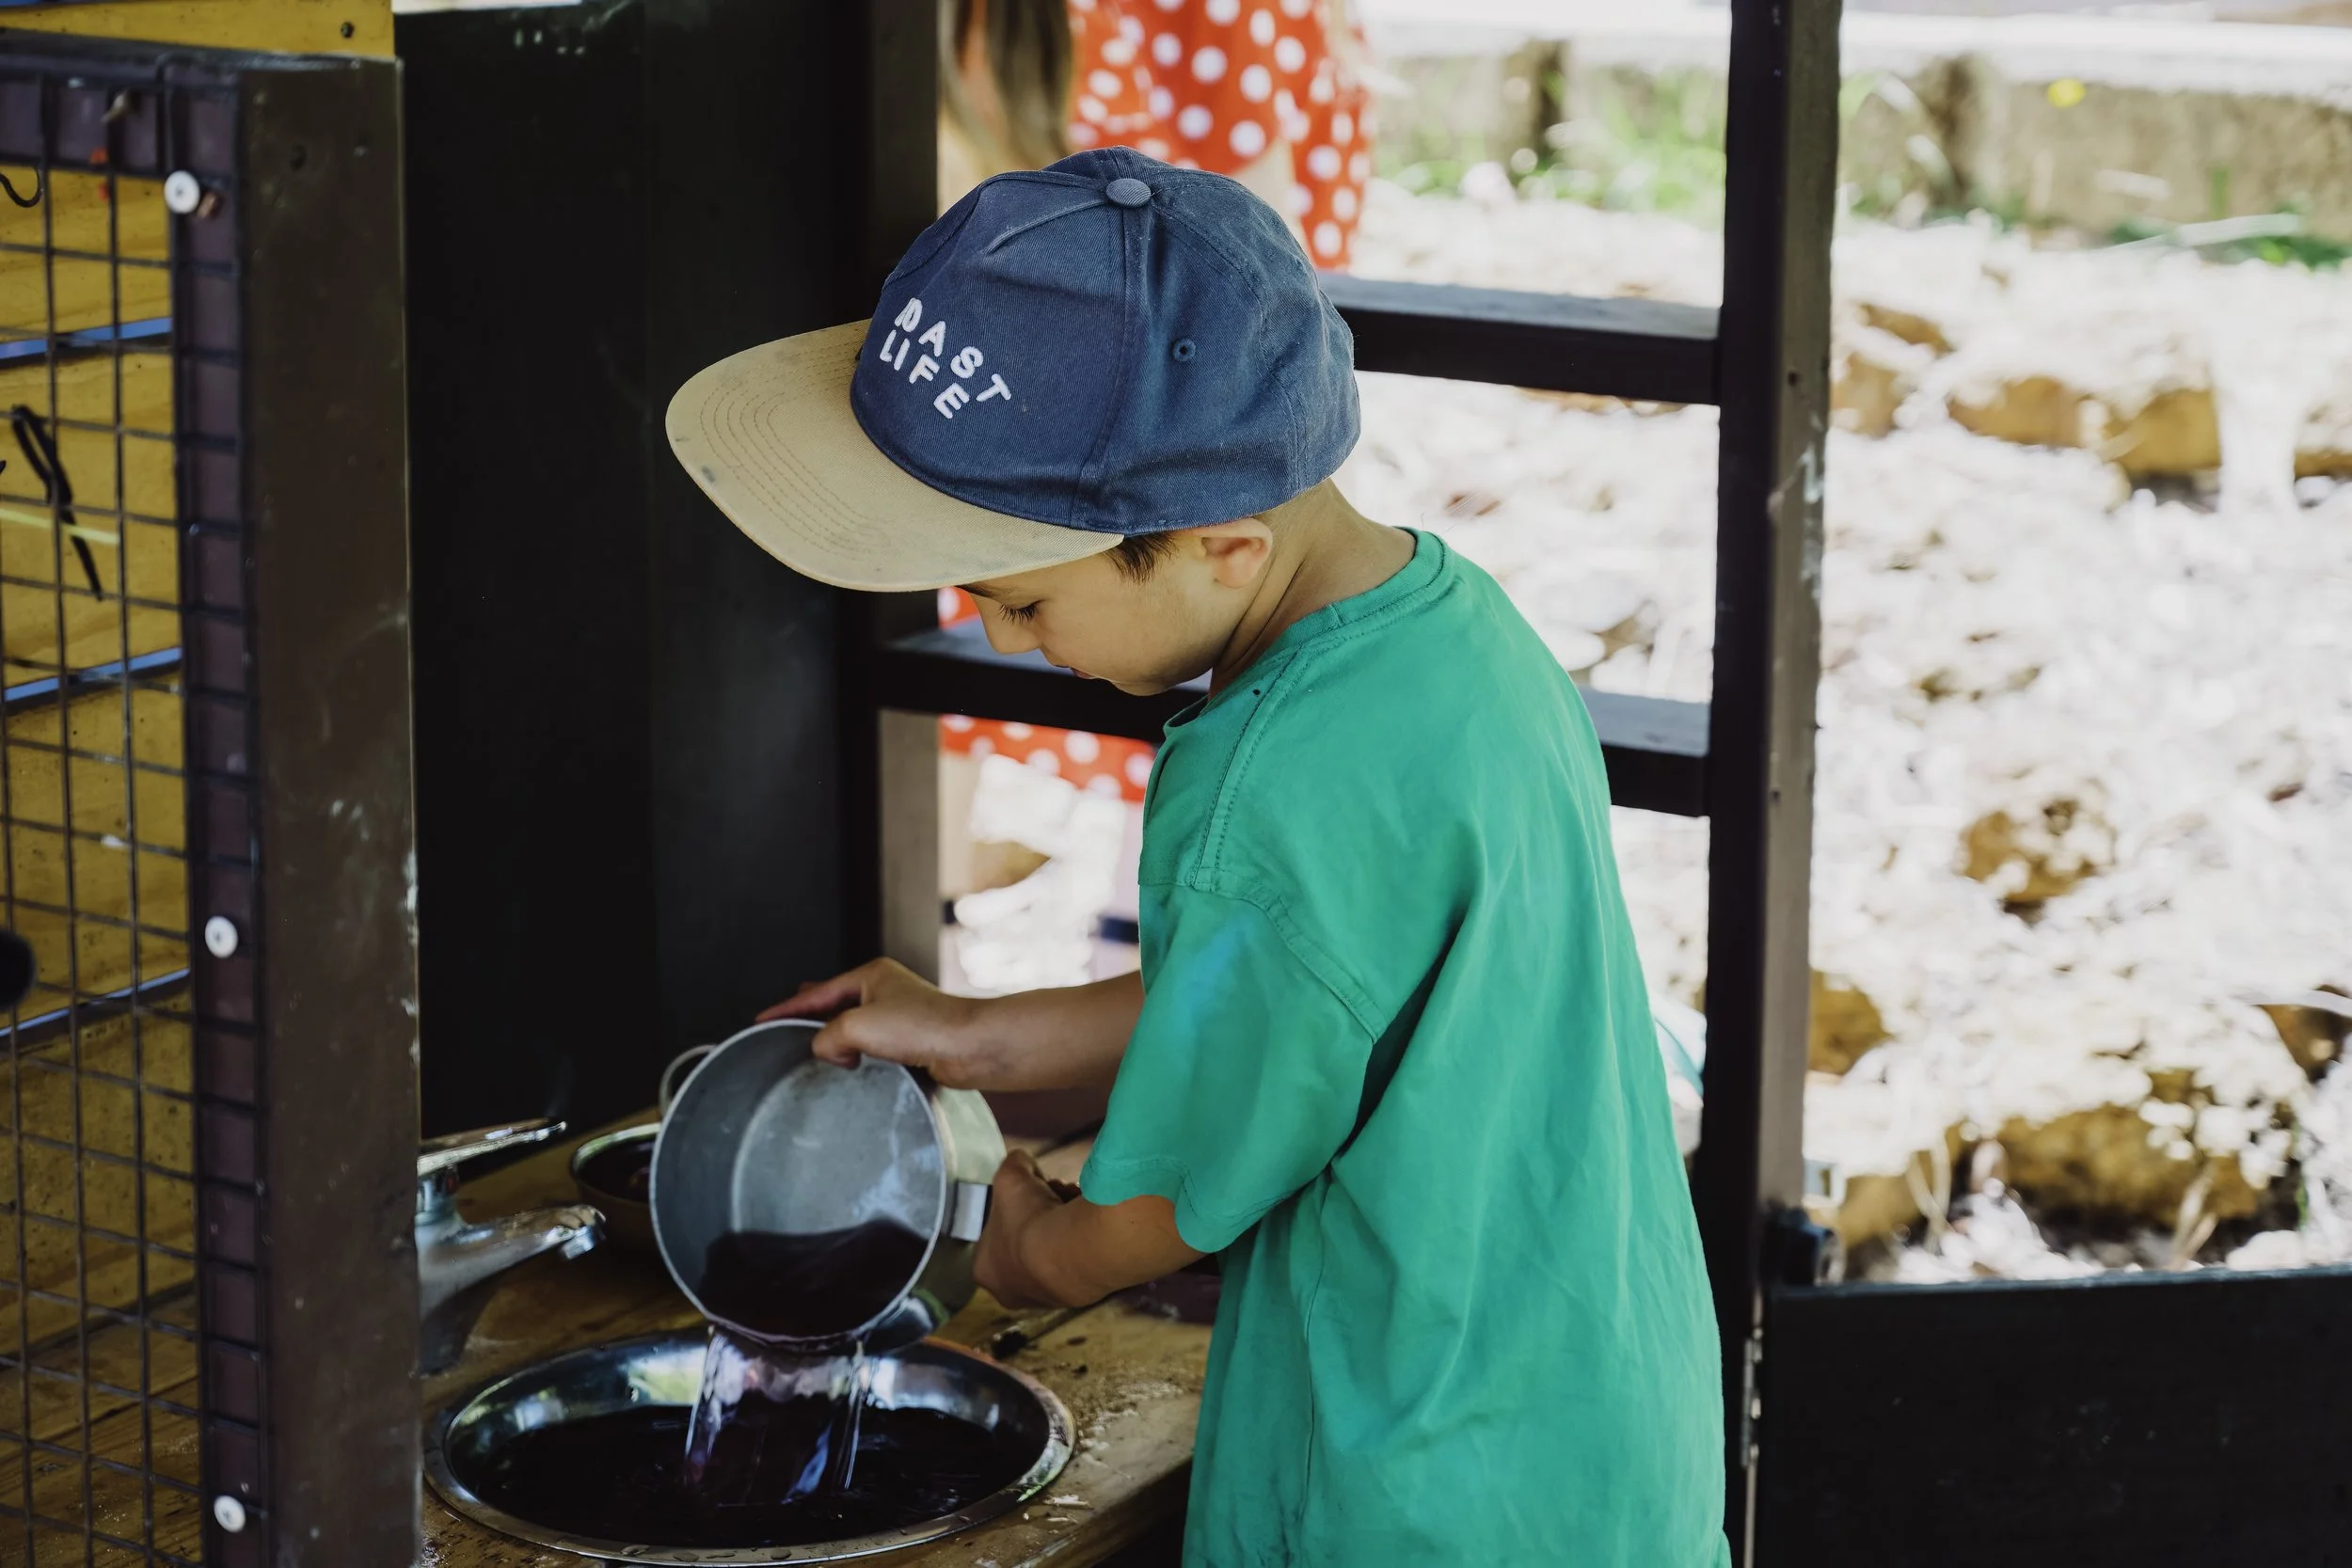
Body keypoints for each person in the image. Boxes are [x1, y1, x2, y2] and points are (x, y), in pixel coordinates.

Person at [667, 150, 1727, 1568]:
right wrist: (977, 1032)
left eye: (1024, 597)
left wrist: (1037, 1251)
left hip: (1406, 1467)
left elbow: (1170, 1195)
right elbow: (1315, 1006)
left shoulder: (1262, 779)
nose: (995, 634)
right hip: (1590, 1415)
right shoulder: (1455, 635)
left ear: (1221, 549)